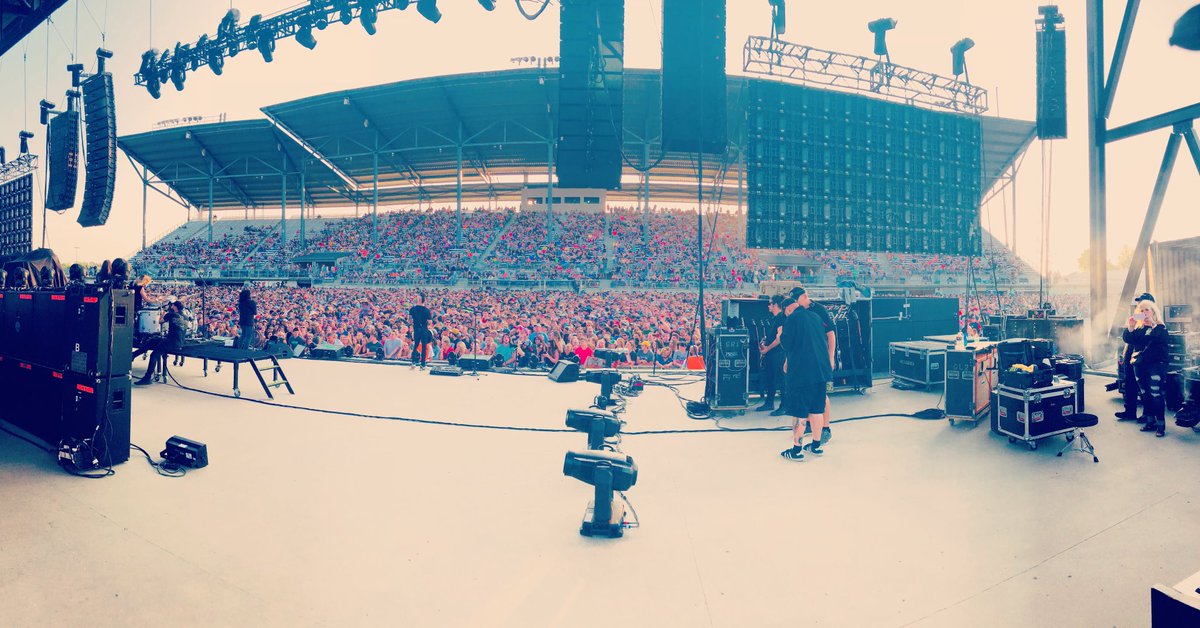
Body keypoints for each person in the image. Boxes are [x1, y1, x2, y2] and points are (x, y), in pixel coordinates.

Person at [780, 289, 835, 461]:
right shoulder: (816, 317)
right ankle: (816, 446)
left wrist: (781, 334)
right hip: (821, 371)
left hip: (802, 373)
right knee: (817, 410)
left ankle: (796, 450)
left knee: (800, 412)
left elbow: (787, 344)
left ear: (788, 309)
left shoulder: (792, 319)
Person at [792, 286, 837, 444]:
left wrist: (831, 358)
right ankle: (811, 425)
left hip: (820, 359)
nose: (795, 303)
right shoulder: (798, 313)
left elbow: (831, 334)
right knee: (808, 393)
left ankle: (826, 428)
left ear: (804, 296)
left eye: (796, 300)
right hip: (805, 361)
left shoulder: (819, 310)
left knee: (822, 394)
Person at [1125, 299, 1170, 437]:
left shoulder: (1160, 326)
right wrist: (1130, 327)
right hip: (1140, 365)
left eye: (1147, 310)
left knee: (1156, 393)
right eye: (1141, 310)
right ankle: (1150, 421)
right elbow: (1129, 339)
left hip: (1156, 365)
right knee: (1144, 393)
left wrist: (1153, 325)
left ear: (1153, 312)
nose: (1144, 312)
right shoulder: (1140, 328)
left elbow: (1161, 338)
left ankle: (1161, 425)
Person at [1117, 292, 1155, 423]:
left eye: (1142, 303)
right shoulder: (1137, 316)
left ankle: (1147, 414)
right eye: (1139, 303)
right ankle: (1130, 411)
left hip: (1142, 357)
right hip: (1131, 355)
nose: (1139, 305)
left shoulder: (1151, 319)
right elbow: (1127, 335)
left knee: (1144, 386)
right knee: (1129, 383)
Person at [135, 301, 186, 386]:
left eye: (172, 306)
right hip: (179, 342)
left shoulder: (171, 314)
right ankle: (134, 355)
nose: (171, 307)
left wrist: (162, 314)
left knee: (154, 355)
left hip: (170, 341)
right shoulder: (186, 317)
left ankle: (147, 378)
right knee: (153, 341)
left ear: (175, 307)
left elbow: (160, 321)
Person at [757, 295, 787, 415]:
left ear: (775, 305)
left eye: (770, 303)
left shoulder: (781, 317)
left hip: (778, 353)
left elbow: (780, 337)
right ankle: (769, 402)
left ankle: (784, 406)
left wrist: (767, 348)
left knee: (781, 380)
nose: (768, 306)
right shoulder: (774, 318)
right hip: (771, 353)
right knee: (770, 379)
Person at [409, 293, 433, 370]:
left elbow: (410, 320)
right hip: (424, 329)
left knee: (415, 345)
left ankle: (413, 362)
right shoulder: (426, 310)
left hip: (416, 329)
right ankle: (422, 365)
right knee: (423, 347)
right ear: (424, 300)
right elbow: (429, 322)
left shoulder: (412, 309)